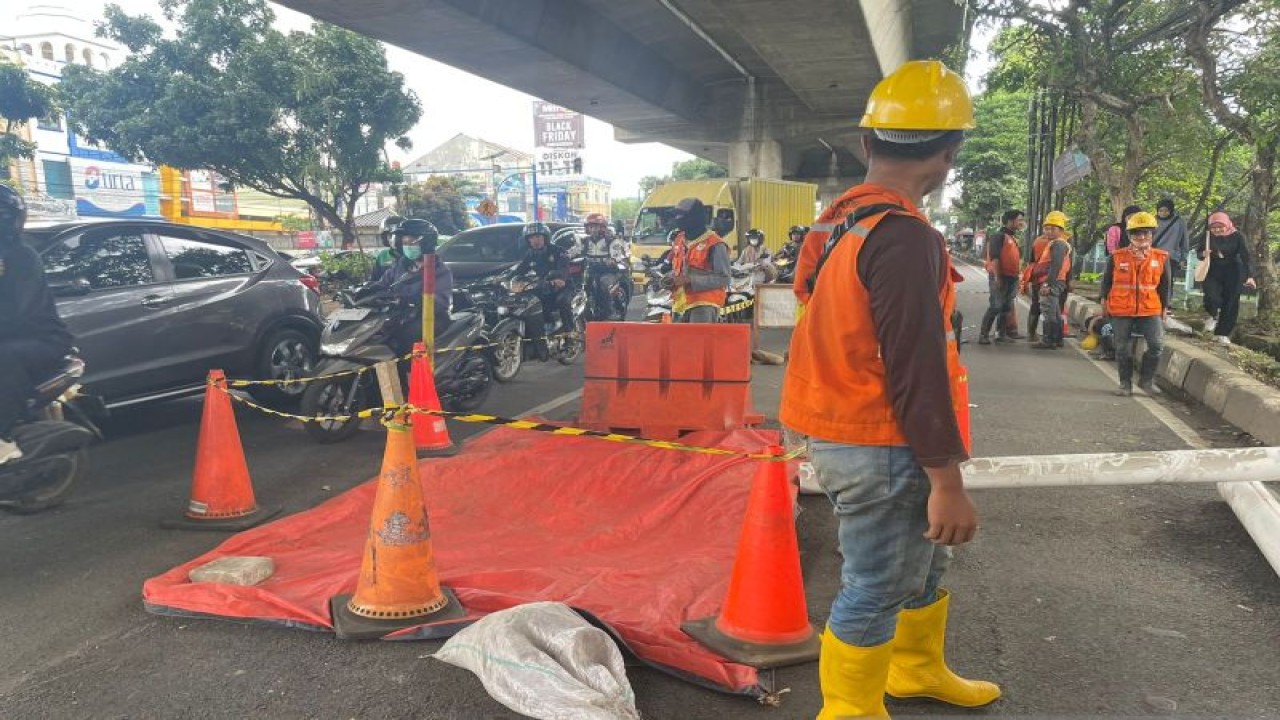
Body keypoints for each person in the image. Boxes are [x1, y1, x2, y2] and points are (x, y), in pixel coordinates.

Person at [780, 60, 998, 717]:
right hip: (881, 442)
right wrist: (946, 481)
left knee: (924, 567)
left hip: (850, 431)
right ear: (950, 156)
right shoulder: (904, 238)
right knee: (876, 585)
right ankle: (848, 709)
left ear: (868, 142)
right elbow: (915, 366)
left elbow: (821, 329)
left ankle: (914, 668)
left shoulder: (838, 224)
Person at [1, 184, 76, 465]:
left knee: (3, 358)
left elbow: (21, 312)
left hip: (43, 338)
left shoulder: (21, 257)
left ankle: (3, 440)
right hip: (9, 336)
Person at [1101, 211, 1171, 395]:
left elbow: (1165, 286)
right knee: (1123, 348)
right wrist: (1103, 301)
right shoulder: (1117, 256)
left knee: (1156, 346)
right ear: (1129, 235)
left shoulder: (1161, 257)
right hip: (1121, 308)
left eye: (1145, 233)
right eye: (1136, 233)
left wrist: (1165, 307)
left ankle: (1146, 381)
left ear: (1152, 235)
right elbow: (1106, 281)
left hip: (1150, 309)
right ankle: (1125, 384)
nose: (1141, 237)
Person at [1194, 211, 1256, 345]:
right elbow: (1198, 252)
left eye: (1220, 227)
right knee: (1211, 295)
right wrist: (1203, 253)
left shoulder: (1238, 236)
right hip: (1213, 269)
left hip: (1233, 270)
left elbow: (1246, 257)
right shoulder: (1207, 235)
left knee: (1231, 301)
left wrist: (1249, 276)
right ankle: (1213, 314)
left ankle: (1222, 333)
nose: (1217, 230)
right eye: (1214, 227)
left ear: (1227, 224)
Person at [513, 221, 573, 359]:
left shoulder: (558, 251)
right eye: (532, 237)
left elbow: (564, 268)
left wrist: (560, 279)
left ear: (545, 237)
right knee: (531, 303)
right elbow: (519, 270)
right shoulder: (530, 254)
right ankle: (540, 339)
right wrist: (501, 279)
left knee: (563, 302)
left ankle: (570, 338)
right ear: (527, 240)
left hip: (563, 287)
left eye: (538, 237)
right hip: (544, 286)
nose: (535, 240)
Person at [666, 198, 729, 323]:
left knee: (697, 342)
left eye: (682, 215)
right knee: (679, 342)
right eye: (676, 215)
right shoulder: (679, 239)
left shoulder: (715, 244)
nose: (678, 219)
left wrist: (691, 280)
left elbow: (724, 278)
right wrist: (669, 279)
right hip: (680, 302)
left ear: (695, 217)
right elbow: (679, 269)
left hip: (703, 305)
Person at [979, 209, 1025, 344]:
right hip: (1000, 276)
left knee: (1006, 306)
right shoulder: (998, 236)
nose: (1022, 223)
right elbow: (995, 258)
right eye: (1019, 220)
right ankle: (984, 335)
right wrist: (998, 278)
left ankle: (1001, 334)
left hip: (1012, 277)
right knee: (996, 305)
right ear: (1010, 221)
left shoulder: (1013, 237)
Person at [1029, 211, 1073, 349]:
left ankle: (1048, 340)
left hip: (1052, 281)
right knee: (1054, 311)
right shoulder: (1057, 242)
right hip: (1056, 281)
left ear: (1061, 230)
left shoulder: (1058, 244)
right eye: (1046, 228)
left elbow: (1056, 265)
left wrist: (1047, 283)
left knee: (1048, 311)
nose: (1048, 231)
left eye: (1053, 229)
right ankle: (1057, 339)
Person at [581, 212, 627, 319]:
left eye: (596, 227)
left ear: (602, 227)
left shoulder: (611, 240)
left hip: (608, 271)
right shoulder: (585, 241)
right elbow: (574, 251)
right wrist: (566, 255)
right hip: (591, 270)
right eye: (591, 227)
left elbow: (617, 254)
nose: (593, 230)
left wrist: (613, 259)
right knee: (582, 287)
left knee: (606, 286)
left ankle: (614, 310)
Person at [1154, 199, 1190, 279]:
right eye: (1160, 210)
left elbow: (1184, 241)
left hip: (1171, 257)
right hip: (1154, 256)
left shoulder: (1179, 222)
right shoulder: (1152, 221)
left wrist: (1183, 258)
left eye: (1166, 210)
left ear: (1171, 210)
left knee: (1167, 283)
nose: (1163, 213)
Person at [369, 213, 410, 283]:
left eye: (397, 235)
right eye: (389, 235)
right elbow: (374, 280)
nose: (393, 239)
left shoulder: (411, 254)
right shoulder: (382, 255)